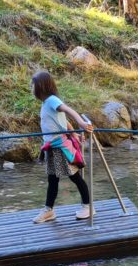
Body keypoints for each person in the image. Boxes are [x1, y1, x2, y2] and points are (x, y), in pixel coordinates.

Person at [30, 71, 95, 223]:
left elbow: (68, 110)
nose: (32, 89)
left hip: (60, 147)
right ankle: (49, 210)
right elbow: (63, 122)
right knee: (53, 179)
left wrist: (81, 123)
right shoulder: (46, 103)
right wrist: (74, 134)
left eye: (33, 86)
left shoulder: (52, 100)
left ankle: (88, 206)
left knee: (74, 176)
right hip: (51, 147)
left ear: (41, 86)